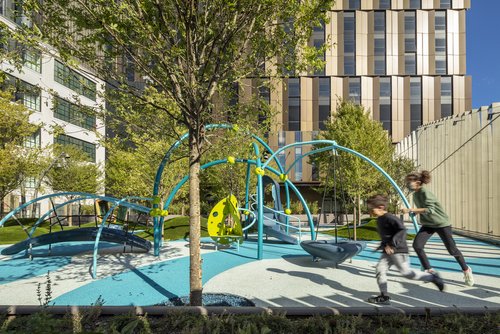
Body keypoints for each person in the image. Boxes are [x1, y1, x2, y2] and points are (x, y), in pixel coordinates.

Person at [366, 195, 444, 305]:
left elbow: (402, 230)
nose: (369, 210)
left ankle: (432, 277)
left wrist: (392, 245)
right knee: (380, 270)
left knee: (407, 273)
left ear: (381, 207)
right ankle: (384, 296)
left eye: (371, 208)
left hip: (398, 250)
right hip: (388, 251)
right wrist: (384, 246)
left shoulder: (390, 218)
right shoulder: (380, 219)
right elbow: (386, 236)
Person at [402, 170, 474, 286]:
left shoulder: (425, 192)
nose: (408, 184)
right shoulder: (415, 194)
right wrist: (416, 213)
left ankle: (466, 270)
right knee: (417, 245)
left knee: (452, 250)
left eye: (410, 181)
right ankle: (429, 271)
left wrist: (412, 210)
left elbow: (430, 209)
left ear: (418, 182)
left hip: (441, 224)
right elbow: (423, 209)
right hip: (428, 224)